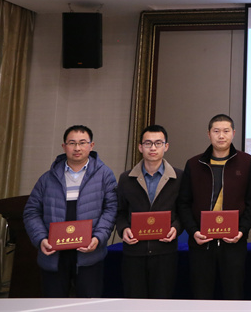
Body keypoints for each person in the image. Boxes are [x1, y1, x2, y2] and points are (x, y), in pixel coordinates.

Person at [23, 125, 117, 297]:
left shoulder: (105, 175)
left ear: (91, 145)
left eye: (82, 143)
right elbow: (31, 212)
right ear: (64, 146)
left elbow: (111, 209)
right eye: (72, 143)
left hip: (90, 254)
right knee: (53, 305)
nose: (77, 148)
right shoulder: (47, 178)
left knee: (88, 305)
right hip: (54, 255)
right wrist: (41, 239)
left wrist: (98, 238)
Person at [176, 113, 251, 299]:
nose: (221, 136)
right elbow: (184, 203)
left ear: (233, 133)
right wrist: (193, 231)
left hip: (234, 244)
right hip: (201, 244)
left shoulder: (246, 162)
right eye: (216, 131)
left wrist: (242, 230)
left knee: (234, 295)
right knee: (201, 296)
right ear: (208, 134)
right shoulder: (194, 164)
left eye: (226, 131)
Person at [115, 124, 182, 298]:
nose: (153, 148)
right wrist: (124, 229)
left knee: (162, 303)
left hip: (165, 252)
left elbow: (184, 211)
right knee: (134, 303)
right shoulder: (126, 178)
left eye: (158, 143)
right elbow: (120, 212)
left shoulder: (179, 177)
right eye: (148, 143)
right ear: (140, 147)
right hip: (134, 252)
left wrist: (176, 228)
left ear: (166, 146)